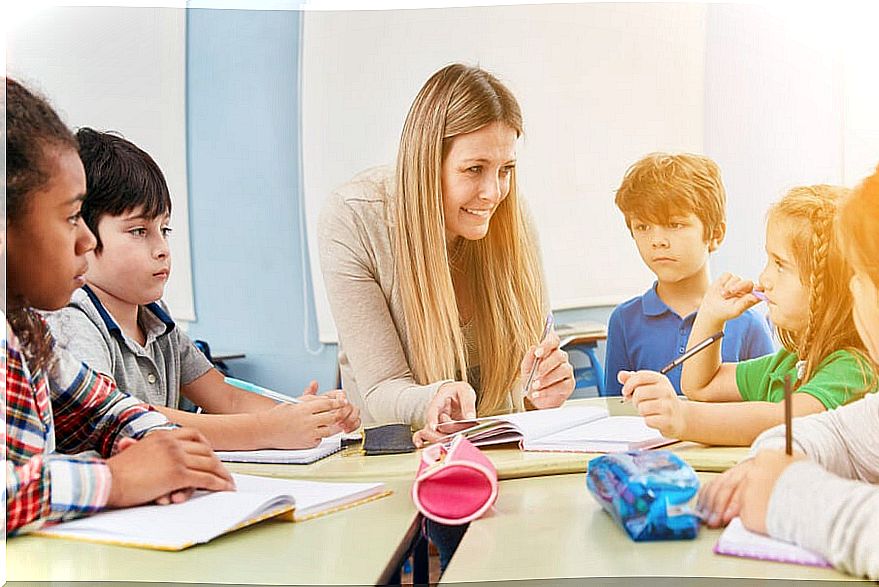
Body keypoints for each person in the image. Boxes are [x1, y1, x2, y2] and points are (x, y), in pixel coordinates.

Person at [697, 140, 879, 581]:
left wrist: (786, 494)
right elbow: (827, 435)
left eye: (860, 277)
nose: (849, 290)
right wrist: (767, 467)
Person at [4, 77, 234, 534]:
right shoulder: (68, 321)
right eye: (71, 217)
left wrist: (164, 450)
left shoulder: (26, 331)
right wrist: (114, 479)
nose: (87, 241)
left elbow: (103, 408)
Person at [46, 128, 359, 450]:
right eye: (139, 230)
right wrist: (266, 429)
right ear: (80, 232)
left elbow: (227, 398)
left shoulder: (156, 318)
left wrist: (308, 418)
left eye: (163, 229)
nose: (162, 248)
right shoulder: (73, 318)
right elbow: (123, 418)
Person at [318, 63, 576, 449]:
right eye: (474, 169)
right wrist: (433, 398)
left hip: (501, 456)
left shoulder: (512, 216)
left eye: (505, 169)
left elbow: (527, 378)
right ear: (426, 165)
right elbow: (382, 388)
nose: (493, 192)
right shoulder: (355, 217)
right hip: (397, 460)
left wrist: (543, 391)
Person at [623, 185, 879, 446]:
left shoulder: (855, 370)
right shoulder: (788, 365)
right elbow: (701, 386)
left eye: (780, 265)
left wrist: (682, 417)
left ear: (830, 286)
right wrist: (711, 315)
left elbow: (785, 421)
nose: (764, 278)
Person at [605, 152, 774, 396]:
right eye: (643, 227)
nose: (658, 241)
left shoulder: (748, 325)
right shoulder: (623, 321)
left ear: (715, 234)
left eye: (675, 225)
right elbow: (616, 414)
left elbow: (768, 411)